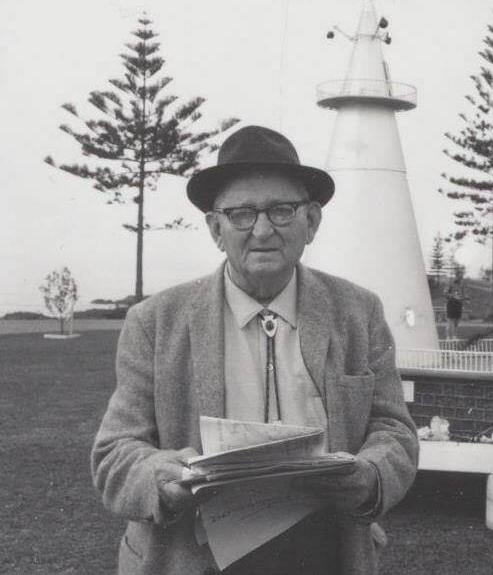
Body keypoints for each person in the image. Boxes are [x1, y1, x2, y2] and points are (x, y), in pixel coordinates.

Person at [91, 125, 419, 575]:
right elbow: (114, 453)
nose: (262, 229)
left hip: (324, 556)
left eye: (282, 210)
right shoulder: (154, 322)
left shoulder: (358, 311)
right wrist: (159, 479)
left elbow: (394, 430)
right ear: (216, 228)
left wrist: (372, 475)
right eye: (242, 213)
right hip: (192, 559)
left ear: (312, 222)